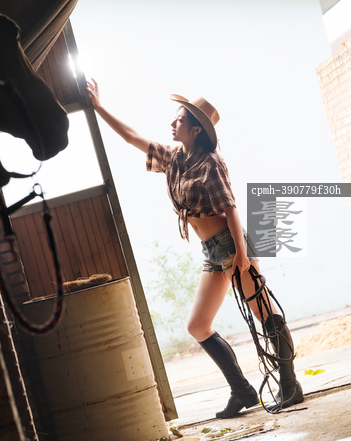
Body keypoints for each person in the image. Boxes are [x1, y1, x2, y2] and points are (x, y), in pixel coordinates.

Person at [86, 79, 304, 418]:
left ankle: (290, 386)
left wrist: (242, 255)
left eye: (179, 119)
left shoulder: (211, 163)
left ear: (196, 129)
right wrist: (99, 107)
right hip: (211, 252)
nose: (172, 123)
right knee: (198, 325)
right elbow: (131, 137)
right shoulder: (174, 158)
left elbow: (230, 207)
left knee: (265, 313)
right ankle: (242, 391)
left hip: (232, 246)